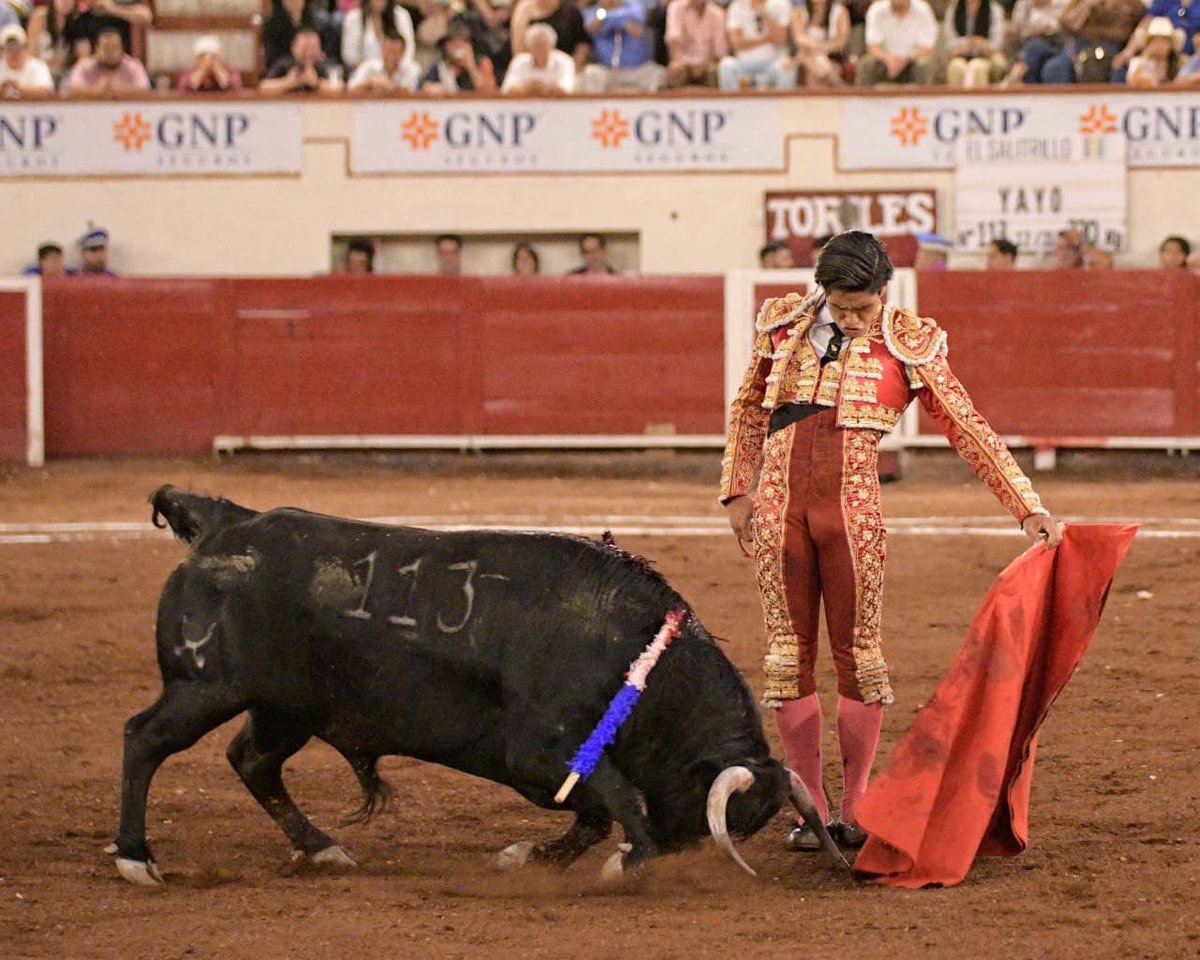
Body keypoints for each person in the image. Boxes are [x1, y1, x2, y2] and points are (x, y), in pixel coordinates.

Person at [720, 230, 1060, 851]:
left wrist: (1026, 506)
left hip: (852, 516)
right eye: (843, 308)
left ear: (884, 294)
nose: (853, 320)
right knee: (787, 657)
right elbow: (748, 408)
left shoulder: (909, 341)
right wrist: (737, 490)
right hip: (777, 512)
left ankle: (853, 808)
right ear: (822, 292)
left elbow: (966, 424)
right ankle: (811, 809)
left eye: (865, 309)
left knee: (860, 658)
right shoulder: (782, 324)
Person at [1042, 0, 1143, 84]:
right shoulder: (1078, 2)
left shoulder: (1131, 4)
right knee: (1055, 68)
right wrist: (1086, 6)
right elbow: (1068, 26)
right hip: (1078, 46)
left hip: (1114, 48)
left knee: (1119, 71)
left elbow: (1125, 32)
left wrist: (1092, 31)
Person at [580, 0, 667, 92]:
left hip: (638, 69)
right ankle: (598, 106)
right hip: (607, 70)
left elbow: (638, 22)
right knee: (591, 73)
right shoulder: (594, 11)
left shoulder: (634, 6)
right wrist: (621, 20)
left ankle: (650, 106)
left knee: (658, 73)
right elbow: (591, 26)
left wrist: (607, 18)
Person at [717, 0, 795, 90]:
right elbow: (736, 43)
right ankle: (731, 103)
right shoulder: (737, 6)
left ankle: (782, 103)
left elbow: (780, 39)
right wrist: (767, 39)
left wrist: (765, 13)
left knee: (787, 68)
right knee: (726, 65)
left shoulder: (780, 4)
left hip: (773, 63)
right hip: (745, 64)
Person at [1112, 0, 1200, 79]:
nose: (1160, 44)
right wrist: (1129, 51)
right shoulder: (1165, 2)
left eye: (1163, 41)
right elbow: (1146, 22)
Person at [856, 0, 937, 85]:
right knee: (866, 65)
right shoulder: (876, 10)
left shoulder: (923, 10)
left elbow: (927, 47)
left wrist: (905, 60)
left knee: (925, 65)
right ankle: (862, 97)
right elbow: (873, 47)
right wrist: (888, 59)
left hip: (913, 62)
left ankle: (923, 97)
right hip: (885, 62)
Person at [65, 24, 149, 95]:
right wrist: (98, 90)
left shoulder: (134, 66)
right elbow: (72, 89)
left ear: (122, 50)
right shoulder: (84, 66)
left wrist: (118, 89)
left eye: (114, 48)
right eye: (106, 48)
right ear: (96, 50)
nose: (110, 52)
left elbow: (144, 90)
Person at [509, 0, 591, 72]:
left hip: (565, 68)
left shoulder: (571, 11)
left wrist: (572, 70)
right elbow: (518, 49)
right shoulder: (524, 9)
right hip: (531, 70)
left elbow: (582, 44)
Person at [420, 18, 497, 93]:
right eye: (453, 43)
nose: (457, 47)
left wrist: (471, 67)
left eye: (462, 43)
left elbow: (489, 91)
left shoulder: (482, 62)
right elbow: (425, 86)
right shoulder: (440, 66)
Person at [999, 0, 1067, 85]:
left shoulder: (1062, 3)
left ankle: (1016, 76)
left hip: (1054, 44)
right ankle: (1018, 74)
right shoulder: (1023, 4)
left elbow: (1064, 25)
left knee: (1035, 45)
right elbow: (1017, 29)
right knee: (1016, 45)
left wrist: (1045, 29)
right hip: (1026, 42)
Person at [943, 0, 1007, 87]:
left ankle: (981, 99)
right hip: (960, 55)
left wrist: (981, 44)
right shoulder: (953, 9)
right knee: (956, 68)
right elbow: (949, 42)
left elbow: (996, 43)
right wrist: (967, 43)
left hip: (985, 56)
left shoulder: (994, 9)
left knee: (977, 68)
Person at [340, 0, 417, 73]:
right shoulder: (354, 17)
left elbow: (408, 52)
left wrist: (390, 72)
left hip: (396, 73)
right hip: (363, 74)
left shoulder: (401, 16)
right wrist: (372, 72)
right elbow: (349, 57)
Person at [664, 0, 728, 87]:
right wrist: (686, 64)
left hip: (708, 65)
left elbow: (720, 51)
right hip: (683, 64)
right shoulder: (676, 7)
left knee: (716, 72)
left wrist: (705, 65)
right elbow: (673, 40)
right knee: (675, 70)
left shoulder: (718, 13)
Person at [259, 26, 339, 95]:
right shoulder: (284, 64)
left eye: (313, 48)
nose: (309, 53)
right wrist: (288, 82)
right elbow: (264, 86)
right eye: (304, 48)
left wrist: (317, 82)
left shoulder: (324, 65)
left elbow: (339, 86)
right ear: (293, 48)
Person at [502, 22, 576, 93]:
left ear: (552, 46)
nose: (539, 49)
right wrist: (527, 88)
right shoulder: (519, 62)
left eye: (543, 44)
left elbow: (566, 89)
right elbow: (507, 90)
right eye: (535, 45)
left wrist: (545, 88)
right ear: (528, 47)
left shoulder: (564, 61)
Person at [789, 0, 849, 86]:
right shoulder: (798, 12)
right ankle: (835, 82)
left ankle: (825, 80)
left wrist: (822, 49)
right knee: (810, 60)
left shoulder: (840, 11)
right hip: (806, 54)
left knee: (815, 69)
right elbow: (800, 38)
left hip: (831, 55)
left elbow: (841, 41)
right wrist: (817, 50)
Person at [348, 20, 421, 91]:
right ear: (382, 50)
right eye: (388, 51)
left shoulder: (412, 69)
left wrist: (388, 86)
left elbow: (408, 91)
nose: (391, 56)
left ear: (403, 53)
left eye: (395, 52)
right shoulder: (368, 67)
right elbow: (350, 90)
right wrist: (370, 83)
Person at [1125, 16, 1184, 85]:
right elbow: (1131, 81)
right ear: (1148, 44)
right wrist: (1145, 58)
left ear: (1171, 45)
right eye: (1155, 41)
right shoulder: (1138, 62)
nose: (1159, 46)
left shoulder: (1179, 63)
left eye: (1164, 42)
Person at [0, 23, 54, 98]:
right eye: (9, 48)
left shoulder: (38, 66)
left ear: (25, 47)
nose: (13, 51)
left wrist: (19, 88)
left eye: (16, 47)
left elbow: (45, 91)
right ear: (2, 50)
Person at [176, 35, 243, 92]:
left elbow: (236, 88)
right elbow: (182, 90)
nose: (208, 60)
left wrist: (218, 70)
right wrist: (202, 70)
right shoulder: (189, 71)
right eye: (203, 57)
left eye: (213, 57)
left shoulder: (229, 69)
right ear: (197, 59)